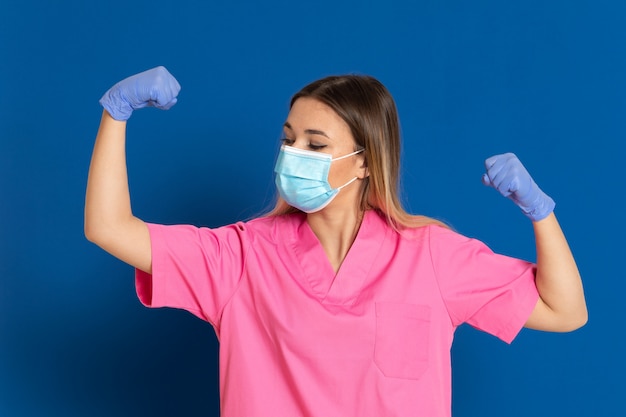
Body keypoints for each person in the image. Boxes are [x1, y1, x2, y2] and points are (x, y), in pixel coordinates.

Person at [84, 66, 587, 417]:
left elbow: (567, 312)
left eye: (315, 144)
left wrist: (540, 212)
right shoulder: (241, 257)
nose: (293, 154)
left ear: (366, 160)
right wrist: (116, 112)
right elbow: (108, 228)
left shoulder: (431, 255)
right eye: (288, 139)